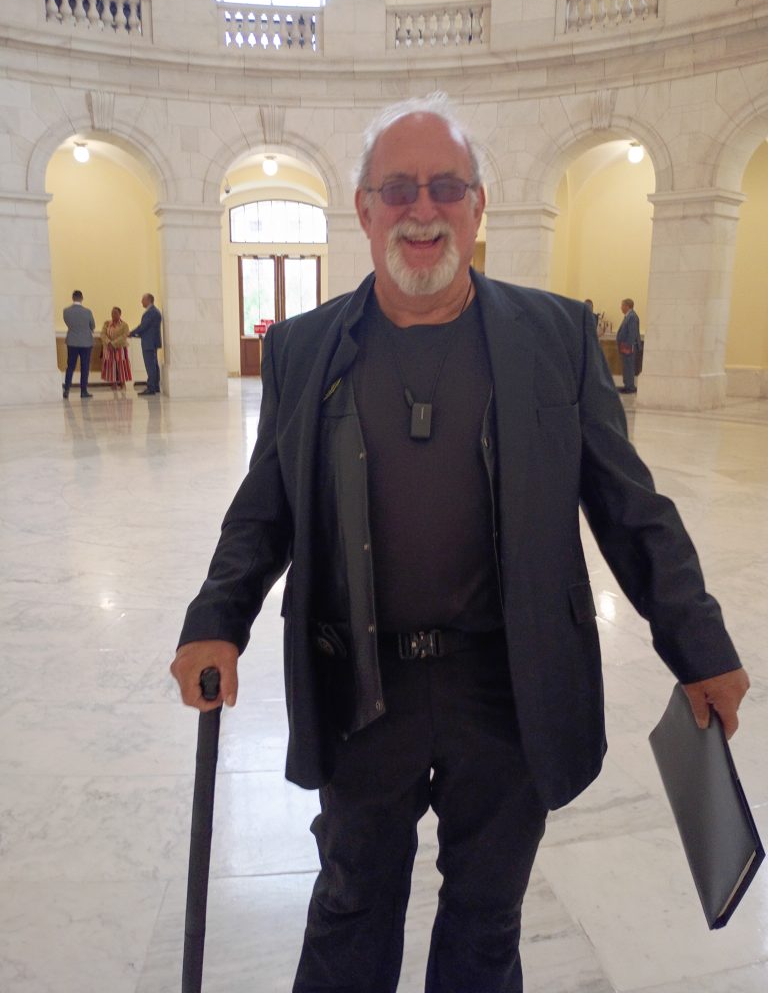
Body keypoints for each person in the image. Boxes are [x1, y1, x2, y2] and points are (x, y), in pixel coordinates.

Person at [170, 94, 749, 993]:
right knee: (352, 904)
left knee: (487, 917)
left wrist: (698, 643)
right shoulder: (303, 349)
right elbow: (264, 509)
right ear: (363, 209)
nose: (423, 209)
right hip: (361, 682)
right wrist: (216, 619)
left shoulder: (556, 337)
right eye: (398, 189)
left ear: (478, 206)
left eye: (446, 187)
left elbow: (631, 506)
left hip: (510, 684)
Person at [62, 289, 95, 399]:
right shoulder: (87, 312)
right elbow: (92, 325)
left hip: (72, 342)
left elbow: (67, 323)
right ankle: (83, 391)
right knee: (84, 367)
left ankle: (67, 389)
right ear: (82, 298)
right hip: (86, 343)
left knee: (70, 366)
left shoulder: (66, 311)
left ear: (73, 298)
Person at [129, 293, 162, 395]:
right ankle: (155, 386)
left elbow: (143, 326)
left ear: (148, 300)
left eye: (143, 300)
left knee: (150, 365)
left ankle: (151, 387)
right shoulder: (155, 311)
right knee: (154, 365)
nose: (141, 302)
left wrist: (131, 333)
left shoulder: (150, 312)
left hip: (149, 342)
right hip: (153, 341)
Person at [100, 306, 132, 389]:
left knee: (121, 365)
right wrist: (108, 343)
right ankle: (113, 383)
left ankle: (122, 383)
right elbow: (102, 334)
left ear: (120, 314)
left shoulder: (124, 325)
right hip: (109, 348)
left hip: (120, 348)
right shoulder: (107, 323)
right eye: (112, 313)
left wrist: (113, 344)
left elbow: (124, 336)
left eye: (115, 313)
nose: (113, 315)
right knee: (111, 365)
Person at [616, 297, 641, 393]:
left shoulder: (632, 317)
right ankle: (627, 385)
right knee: (626, 367)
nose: (621, 307)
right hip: (626, 347)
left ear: (627, 306)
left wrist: (628, 347)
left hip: (629, 347)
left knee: (629, 367)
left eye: (622, 305)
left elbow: (632, 334)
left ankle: (630, 387)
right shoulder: (628, 316)